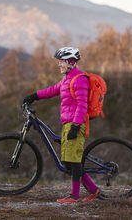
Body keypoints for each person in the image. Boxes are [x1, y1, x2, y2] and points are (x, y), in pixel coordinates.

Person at [23, 47, 100, 203]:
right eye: (58, 62)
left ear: (70, 62)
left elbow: (82, 105)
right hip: (68, 123)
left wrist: (76, 126)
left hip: (75, 123)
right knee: (68, 161)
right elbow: (52, 90)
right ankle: (93, 190)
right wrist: (34, 96)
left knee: (74, 161)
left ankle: (74, 196)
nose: (59, 65)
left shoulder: (79, 79)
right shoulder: (67, 79)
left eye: (61, 62)